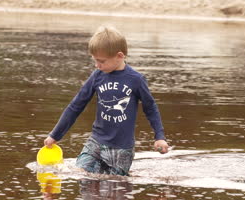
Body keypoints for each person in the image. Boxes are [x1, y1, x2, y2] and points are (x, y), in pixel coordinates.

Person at [43, 26, 169, 176]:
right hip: (95, 142)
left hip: (121, 149)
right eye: (95, 60)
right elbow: (75, 106)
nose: (97, 65)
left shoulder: (136, 80)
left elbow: (150, 108)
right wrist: (55, 135)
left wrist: (159, 137)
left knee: (113, 186)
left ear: (120, 56)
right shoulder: (97, 76)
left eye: (101, 61)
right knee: (81, 176)